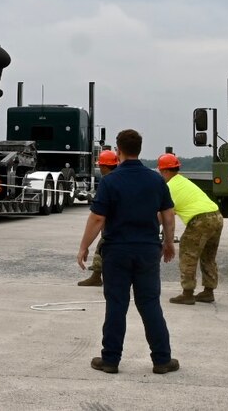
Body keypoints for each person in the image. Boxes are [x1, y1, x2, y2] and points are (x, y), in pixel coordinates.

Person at [77, 129, 178, 375]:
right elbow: (168, 214)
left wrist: (84, 247)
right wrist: (168, 243)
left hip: (117, 251)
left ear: (118, 150)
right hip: (147, 250)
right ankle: (162, 360)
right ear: (139, 149)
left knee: (116, 304)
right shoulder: (156, 180)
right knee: (150, 303)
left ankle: (110, 360)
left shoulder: (110, 181)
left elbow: (98, 218)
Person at [157, 153, 224, 305]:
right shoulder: (183, 181)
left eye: (160, 172)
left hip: (200, 220)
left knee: (188, 255)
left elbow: (165, 215)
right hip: (216, 216)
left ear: (165, 171)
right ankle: (208, 291)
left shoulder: (169, 187)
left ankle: (187, 293)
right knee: (208, 256)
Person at [77, 149, 120, 287]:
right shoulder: (120, 178)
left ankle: (97, 276)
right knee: (102, 248)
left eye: (100, 165)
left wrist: (84, 246)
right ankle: (97, 275)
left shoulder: (107, 181)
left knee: (102, 247)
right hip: (121, 223)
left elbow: (97, 215)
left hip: (113, 224)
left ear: (104, 166)